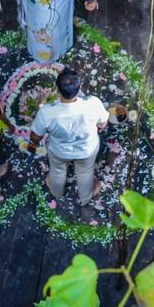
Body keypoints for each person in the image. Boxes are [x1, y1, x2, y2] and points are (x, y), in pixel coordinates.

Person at [29, 69, 108, 207]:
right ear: (79, 88)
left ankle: (56, 192)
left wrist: (34, 144)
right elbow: (102, 123)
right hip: (87, 149)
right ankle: (85, 197)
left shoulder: (47, 112)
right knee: (85, 172)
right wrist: (97, 129)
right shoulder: (93, 104)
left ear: (58, 90)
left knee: (57, 171)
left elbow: (35, 136)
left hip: (59, 151)